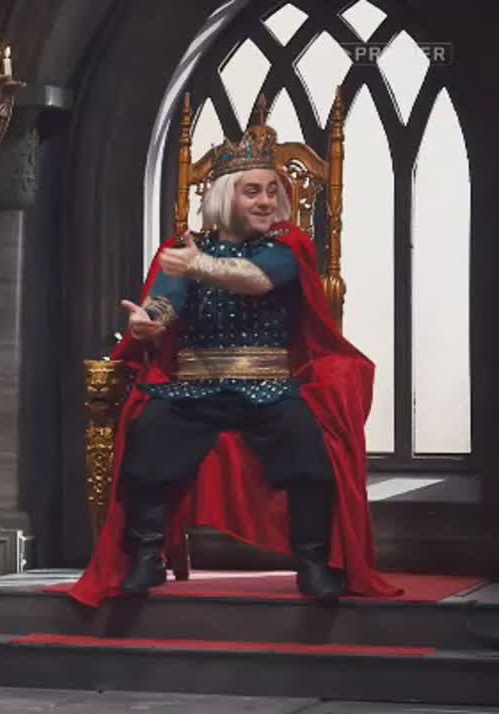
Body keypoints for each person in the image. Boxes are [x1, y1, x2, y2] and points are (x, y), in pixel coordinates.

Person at [71, 118, 400, 607]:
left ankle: (312, 562)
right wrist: (149, 323)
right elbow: (166, 301)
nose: (266, 201)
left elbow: (253, 279)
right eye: (253, 192)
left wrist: (198, 266)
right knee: (148, 444)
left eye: (272, 191)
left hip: (269, 388)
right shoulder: (183, 251)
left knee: (310, 458)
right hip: (193, 388)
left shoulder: (288, 248)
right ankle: (146, 556)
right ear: (226, 197)